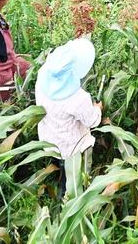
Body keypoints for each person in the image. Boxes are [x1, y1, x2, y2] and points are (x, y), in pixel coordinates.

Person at [35, 38, 102, 198]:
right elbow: (93, 121)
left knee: (59, 162)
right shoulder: (78, 98)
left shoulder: (42, 79)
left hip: (49, 141)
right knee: (73, 177)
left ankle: (59, 182)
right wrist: (97, 109)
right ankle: (69, 197)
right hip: (73, 148)